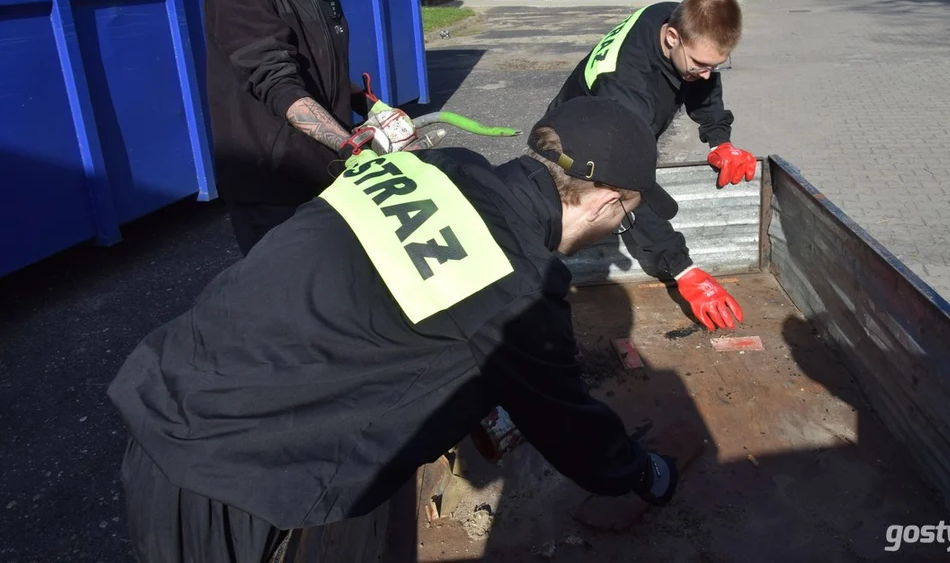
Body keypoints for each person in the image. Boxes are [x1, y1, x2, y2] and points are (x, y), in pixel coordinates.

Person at [106, 96, 681, 563]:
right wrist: (642, 471)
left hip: (170, 388)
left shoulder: (437, 166)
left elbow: (394, 298)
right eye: (625, 215)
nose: (617, 226)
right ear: (605, 201)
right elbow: (573, 431)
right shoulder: (519, 287)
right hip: (229, 484)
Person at [203, 0, 422, 256]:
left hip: (328, 172)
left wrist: (377, 109)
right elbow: (279, 84)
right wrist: (352, 144)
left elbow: (324, 76)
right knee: (288, 301)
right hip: (272, 187)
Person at [546, 0, 755, 333]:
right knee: (568, 223)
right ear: (672, 37)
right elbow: (624, 181)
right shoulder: (627, 90)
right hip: (570, 144)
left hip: (623, 129)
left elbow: (703, 85)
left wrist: (720, 139)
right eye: (700, 64)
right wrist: (683, 268)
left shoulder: (671, 16)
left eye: (715, 65)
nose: (706, 73)